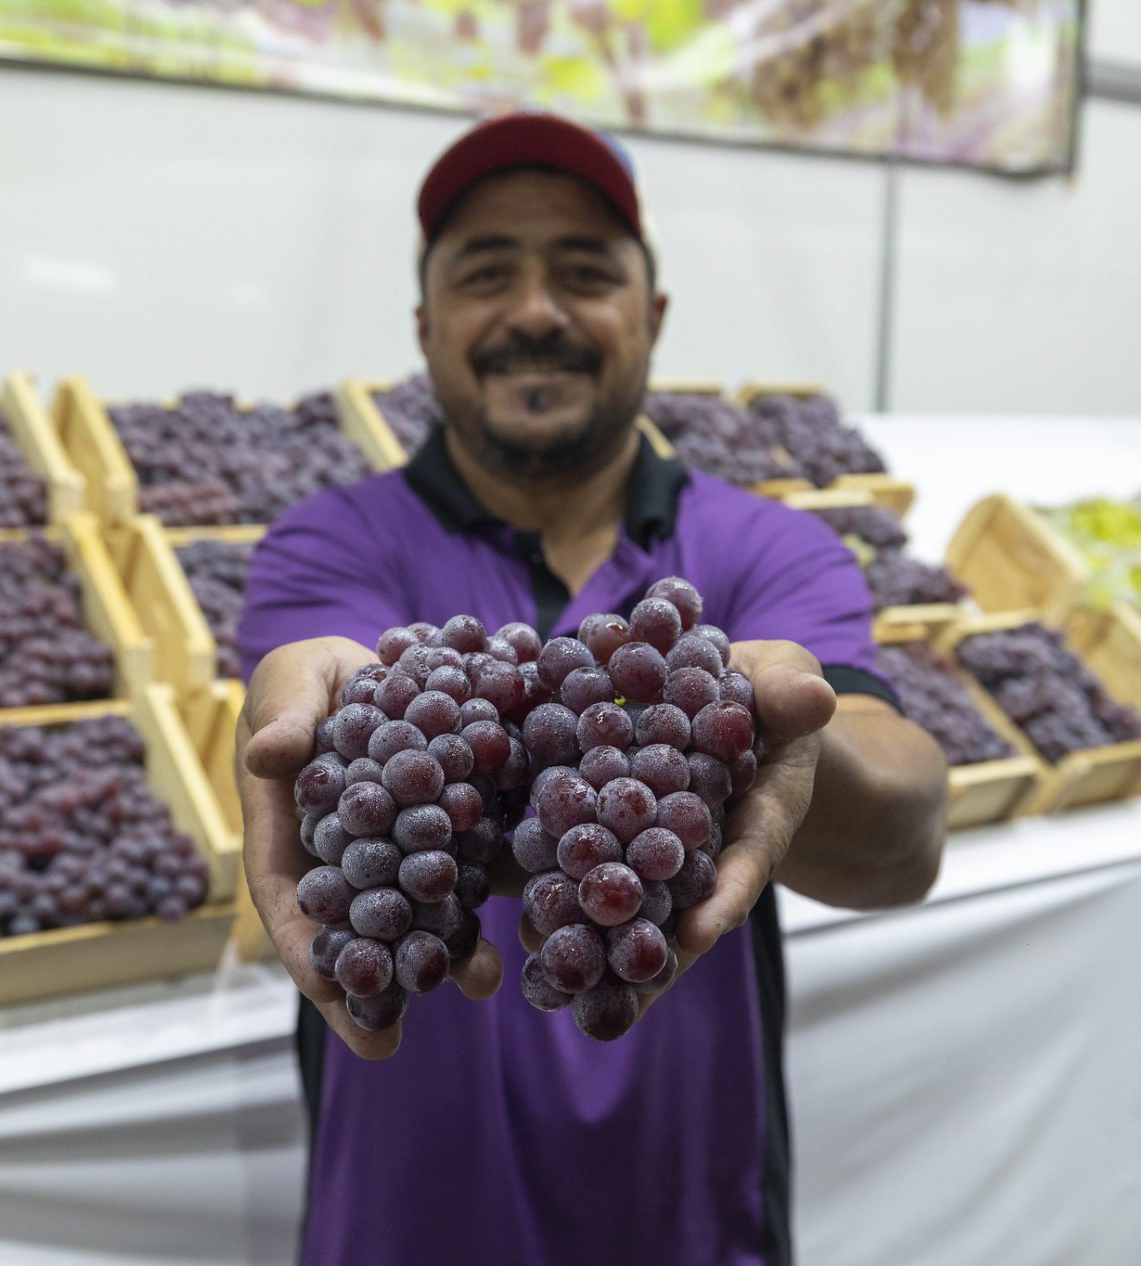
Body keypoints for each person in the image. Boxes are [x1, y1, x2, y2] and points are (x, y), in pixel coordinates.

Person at [235, 111, 949, 1266]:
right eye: (485, 274)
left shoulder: (770, 547)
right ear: (426, 325)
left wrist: (794, 742)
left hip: (687, 1214)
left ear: (650, 316)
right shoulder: (329, 542)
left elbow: (907, 834)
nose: (534, 312)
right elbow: (308, 704)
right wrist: (296, 711)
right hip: (403, 1220)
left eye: (584, 271)